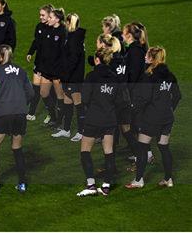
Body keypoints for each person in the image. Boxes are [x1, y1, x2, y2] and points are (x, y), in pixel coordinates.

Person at [126, 47, 181, 189]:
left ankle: (139, 180)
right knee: (164, 147)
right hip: (167, 118)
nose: (144, 57)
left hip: (151, 118)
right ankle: (168, 179)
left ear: (152, 59)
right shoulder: (170, 76)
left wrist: (134, 111)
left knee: (142, 148)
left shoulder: (149, 76)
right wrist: (169, 109)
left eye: (147, 56)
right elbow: (177, 96)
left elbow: (144, 99)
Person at [76, 48, 129, 197]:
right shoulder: (115, 78)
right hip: (110, 119)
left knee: (85, 151)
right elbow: (120, 101)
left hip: (93, 119)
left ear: (97, 60)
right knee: (109, 152)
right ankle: (106, 186)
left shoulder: (91, 76)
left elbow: (85, 99)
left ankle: (91, 185)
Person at [0, 44, 34, 194]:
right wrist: (21, 105)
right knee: (17, 149)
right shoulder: (22, 71)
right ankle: (22, 184)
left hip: (3, 113)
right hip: (20, 114)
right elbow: (30, 93)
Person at [122, 22, 152, 164]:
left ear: (129, 35)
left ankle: (146, 154)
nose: (122, 35)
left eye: (123, 32)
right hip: (139, 92)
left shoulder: (134, 51)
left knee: (137, 124)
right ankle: (146, 152)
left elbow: (133, 75)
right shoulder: (138, 49)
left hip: (136, 93)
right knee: (137, 124)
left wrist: (128, 92)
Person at [52, 13, 85, 140]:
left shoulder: (75, 38)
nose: (65, 24)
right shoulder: (72, 36)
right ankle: (66, 129)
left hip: (73, 76)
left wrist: (64, 73)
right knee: (67, 102)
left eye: (67, 22)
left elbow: (73, 60)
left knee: (78, 103)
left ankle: (81, 131)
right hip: (68, 75)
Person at [37, 8, 67, 127]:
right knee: (43, 93)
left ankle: (59, 121)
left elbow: (64, 53)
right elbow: (43, 50)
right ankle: (53, 116)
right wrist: (40, 66)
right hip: (47, 69)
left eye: (50, 17)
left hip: (57, 70)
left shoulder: (63, 32)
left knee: (60, 96)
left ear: (57, 19)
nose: (47, 19)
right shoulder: (47, 30)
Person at [26, 4, 53, 121]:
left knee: (45, 92)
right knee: (35, 88)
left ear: (49, 16)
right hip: (39, 62)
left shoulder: (54, 30)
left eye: (43, 15)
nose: (41, 17)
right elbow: (36, 41)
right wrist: (30, 52)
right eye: (40, 15)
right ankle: (31, 112)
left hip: (49, 65)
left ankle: (52, 114)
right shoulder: (39, 26)